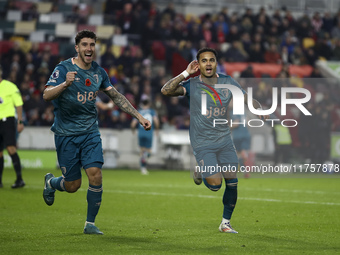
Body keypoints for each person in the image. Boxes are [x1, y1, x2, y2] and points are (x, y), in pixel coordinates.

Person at [42, 30, 151, 235]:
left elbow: (117, 97)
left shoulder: (99, 72)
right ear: (77, 48)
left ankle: (89, 224)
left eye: (92, 44)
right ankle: (51, 182)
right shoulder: (63, 68)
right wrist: (65, 84)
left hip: (90, 132)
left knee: (96, 175)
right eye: (84, 44)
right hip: (66, 135)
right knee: (73, 185)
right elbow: (46, 94)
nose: (89, 48)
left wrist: (139, 116)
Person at [161, 48, 267, 233]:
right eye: (204, 60)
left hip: (225, 139)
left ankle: (225, 223)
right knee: (216, 186)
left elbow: (246, 98)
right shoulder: (192, 84)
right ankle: (201, 170)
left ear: (216, 63)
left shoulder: (227, 81)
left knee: (232, 180)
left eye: (211, 60)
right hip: (202, 142)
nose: (208, 63)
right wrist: (186, 73)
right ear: (198, 64)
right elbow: (166, 90)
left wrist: (258, 109)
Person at [0, 65, 25, 188]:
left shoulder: (9, 86)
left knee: (11, 149)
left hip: (7, 121)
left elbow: (19, 104)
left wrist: (20, 122)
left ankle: (19, 179)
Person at [131, 96, 160, 175]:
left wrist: (133, 130)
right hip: (149, 132)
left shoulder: (139, 111)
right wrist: (157, 129)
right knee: (149, 152)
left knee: (142, 151)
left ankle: (143, 168)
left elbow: (133, 123)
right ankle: (145, 160)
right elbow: (156, 121)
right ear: (149, 103)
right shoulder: (152, 111)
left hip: (141, 133)